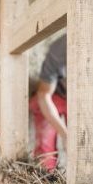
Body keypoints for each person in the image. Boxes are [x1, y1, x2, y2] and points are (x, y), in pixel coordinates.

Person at [29, 34, 67, 172]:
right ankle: (46, 176)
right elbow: (44, 95)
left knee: (85, 141)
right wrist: (65, 134)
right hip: (54, 96)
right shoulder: (59, 51)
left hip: (81, 100)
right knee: (45, 146)